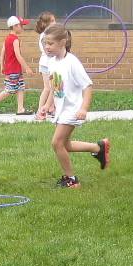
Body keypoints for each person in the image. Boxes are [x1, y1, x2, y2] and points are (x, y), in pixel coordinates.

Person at [43, 25, 109, 188]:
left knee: (56, 143)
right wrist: (47, 105)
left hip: (72, 109)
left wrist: (83, 109)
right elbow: (54, 87)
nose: (46, 47)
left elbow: (87, 86)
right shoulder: (52, 62)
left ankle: (72, 179)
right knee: (65, 145)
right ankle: (98, 148)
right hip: (62, 111)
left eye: (50, 43)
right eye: (45, 43)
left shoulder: (72, 62)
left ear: (62, 42)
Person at [0, 16, 30, 116]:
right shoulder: (15, 40)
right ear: (14, 26)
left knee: (20, 87)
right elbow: (18, 55)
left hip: (12, 68)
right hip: (14, 69)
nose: (22, 28)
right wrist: (26, 67)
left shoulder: (7, 39)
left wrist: (2, 66)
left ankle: (20, 109)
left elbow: (2, 54)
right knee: (10, 90)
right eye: (21, 26)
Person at [32, 11, 58, 121]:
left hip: (52, 64)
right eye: (52, 21)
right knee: (48, 88)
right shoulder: (44, 36)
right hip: (46, 65)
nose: (55, 22)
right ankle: (40, 111)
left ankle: (52, 109)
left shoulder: (50, 35)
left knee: (56, 88)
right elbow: (48, 52)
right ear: (45, 24)